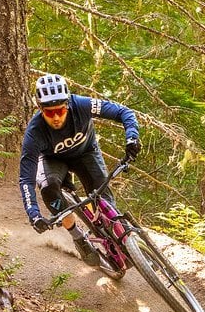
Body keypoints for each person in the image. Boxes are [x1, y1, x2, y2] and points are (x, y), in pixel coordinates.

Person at [18, 73, 141, 266]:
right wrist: (33, 214)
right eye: (49, 112)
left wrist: (132, 138)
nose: (56, 117)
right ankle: (78, 238)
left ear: (67, 103)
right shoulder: (34, 133)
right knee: (49, 188)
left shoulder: (82, 104)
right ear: (40, 108)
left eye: (60, 110)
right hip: (53, 160)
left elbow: (123, 112)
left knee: (103, 199)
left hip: (86, 153)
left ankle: (122, 239)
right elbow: (26, 179)